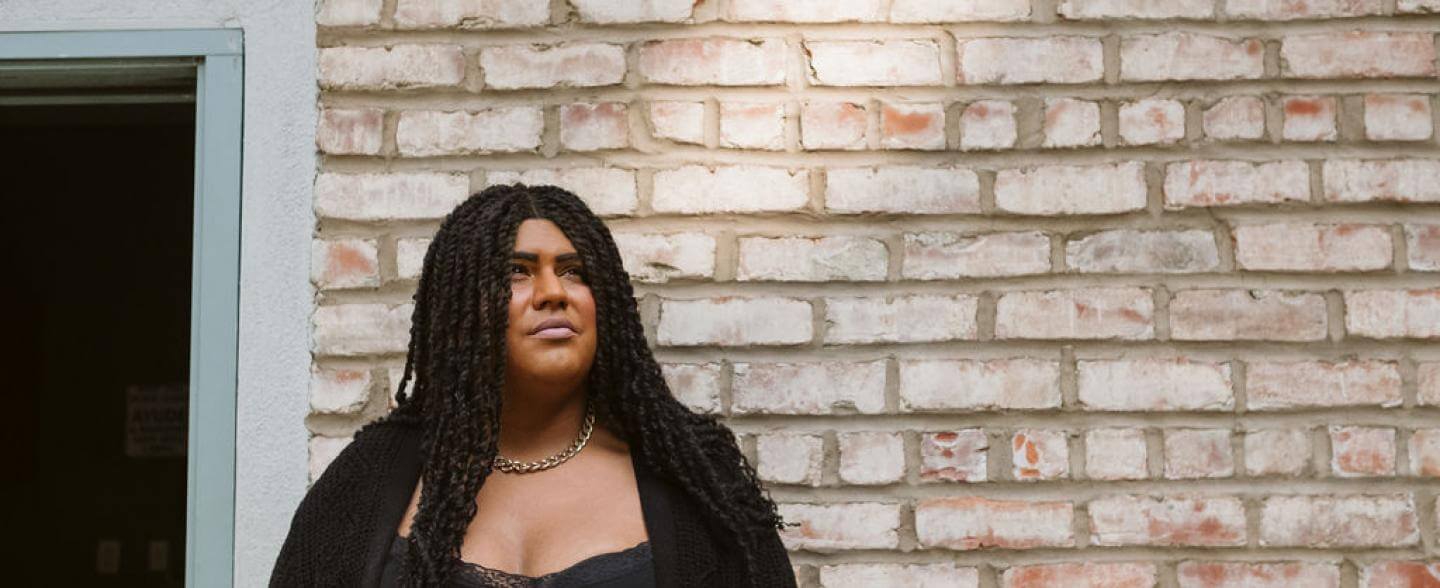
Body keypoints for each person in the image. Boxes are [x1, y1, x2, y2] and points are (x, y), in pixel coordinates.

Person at [270, 184, 796, 587]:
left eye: (574, 272)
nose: (552, 292)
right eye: (517, 273)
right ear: (460, 307)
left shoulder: (694, 477)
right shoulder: (369, 480)